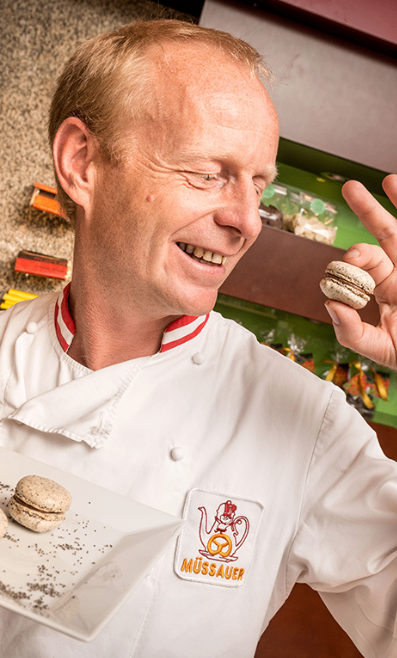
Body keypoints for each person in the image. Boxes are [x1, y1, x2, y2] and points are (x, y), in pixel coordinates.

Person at [0, 18, 396, 658]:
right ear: (83, 163)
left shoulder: (308, 425)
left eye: (259, 184)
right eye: (209, 171)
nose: (246, 221)